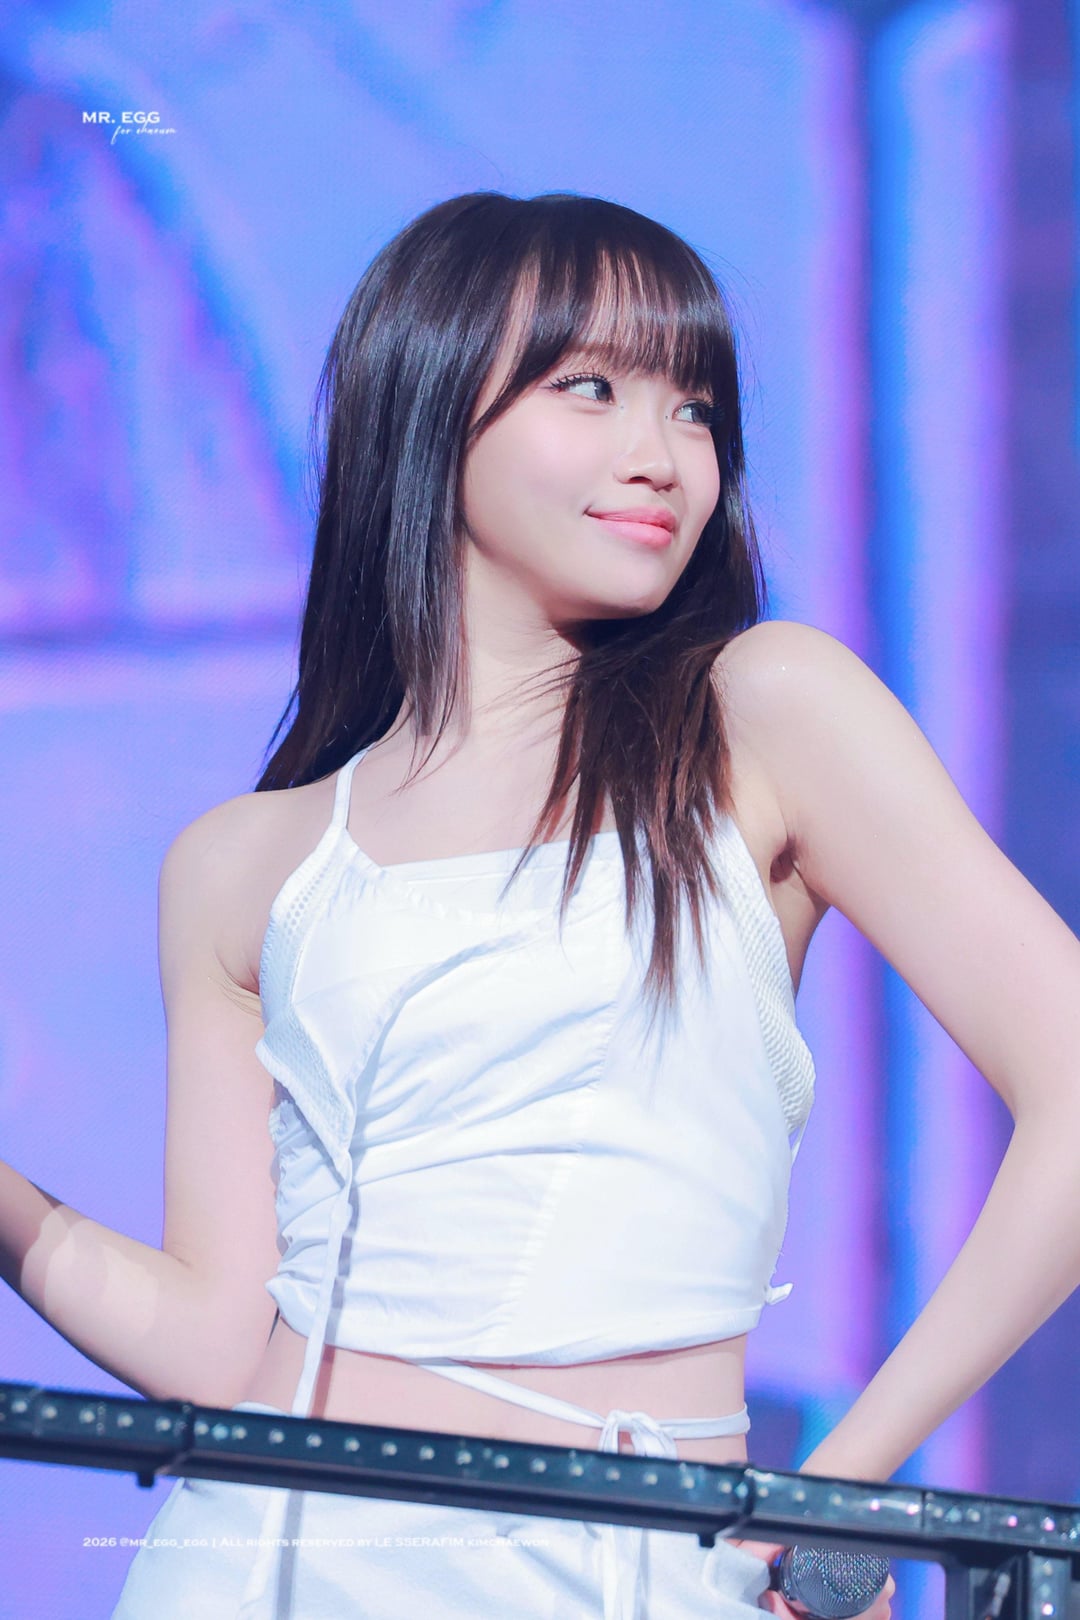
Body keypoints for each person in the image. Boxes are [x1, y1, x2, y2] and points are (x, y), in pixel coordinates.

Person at [3, 189, 1079, 1620]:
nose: (663, 455)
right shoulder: (246, 858)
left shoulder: (760, 718)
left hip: (619, 1561)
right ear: (431, 404)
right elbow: (219, 1346)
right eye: (592, 388)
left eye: (696, 409)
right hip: (263, 1562)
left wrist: (841, 1489)